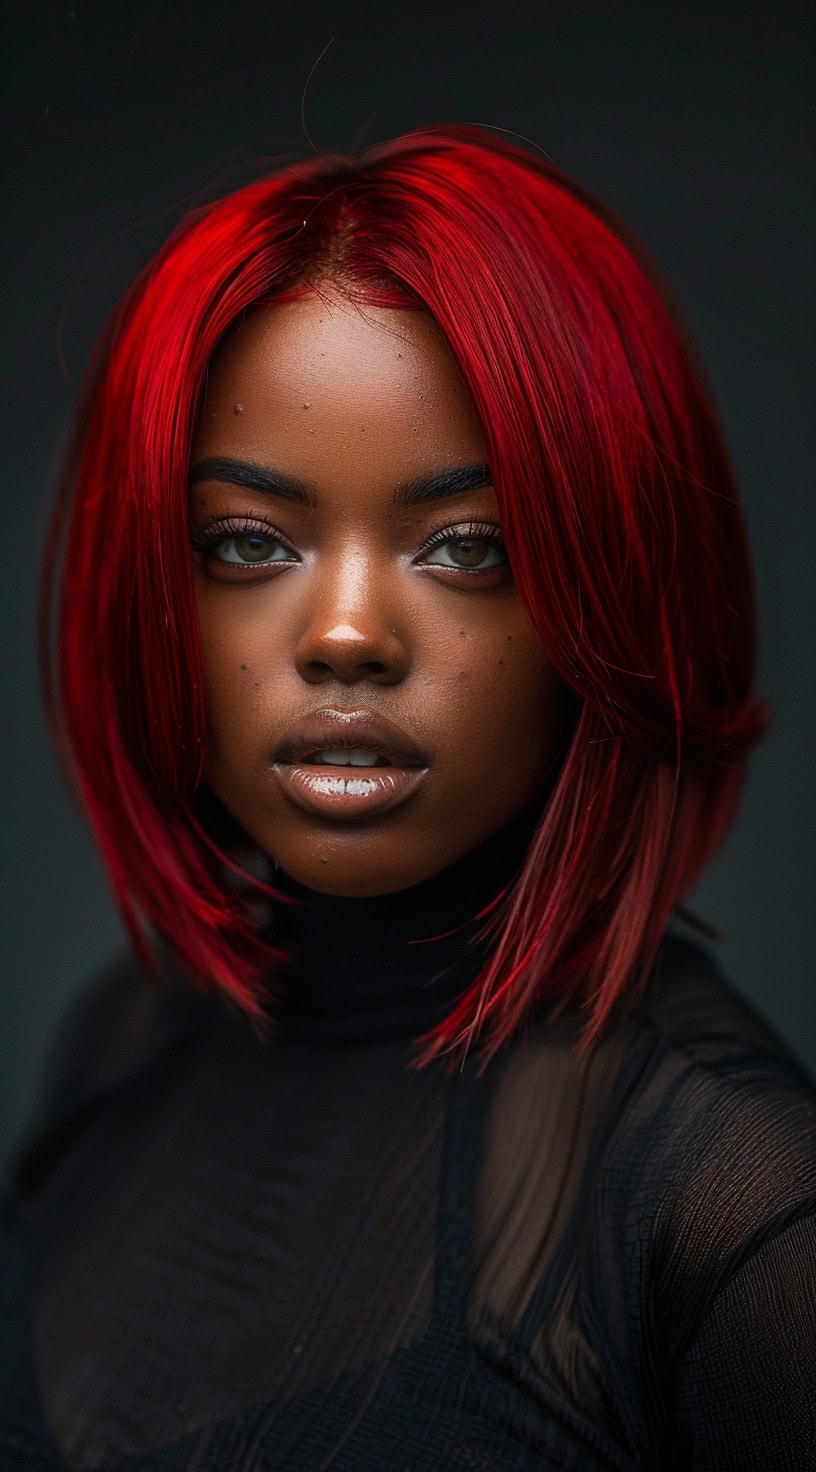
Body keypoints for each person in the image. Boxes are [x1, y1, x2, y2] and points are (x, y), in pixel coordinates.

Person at [1, 123, 813, 1470]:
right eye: (248, 541)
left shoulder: (728, 1195)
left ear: (613, 586)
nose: (348, 633)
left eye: (468, 546)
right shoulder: (123, 1044)